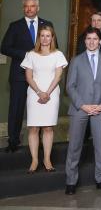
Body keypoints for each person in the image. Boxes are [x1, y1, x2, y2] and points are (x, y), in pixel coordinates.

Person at [64, 28, 101, 195]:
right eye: (88, 39)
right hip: (80, 109)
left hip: (100, 109)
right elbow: (70, 86)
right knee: (74, 146)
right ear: (85, 41)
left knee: (100, 146)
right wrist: (83, 105)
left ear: (100, 41)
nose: (92, 42)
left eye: (95, 39)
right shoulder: (76, 60)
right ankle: (71, 181)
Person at [1, 0, 54, 153]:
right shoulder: (15, 26)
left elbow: (54, 46)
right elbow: (4, 48)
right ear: (23, 8)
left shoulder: (47, 24)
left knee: (40, 108)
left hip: (42, 76)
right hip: (19, 75)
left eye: (32, 6)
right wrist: (26, 54)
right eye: (26, 6)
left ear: (38, 8)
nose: (29, 9)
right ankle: (13, 141)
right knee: (16, 109)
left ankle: (40, 142)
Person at [21, 24, 66, 173]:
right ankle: (34, 160)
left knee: (48, 127)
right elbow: (28, 77)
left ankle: (47, 159)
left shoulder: (58, 54)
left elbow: (58, 76)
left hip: (51, 94)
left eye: (48, 36)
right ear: (39, 38)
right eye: (42, 36)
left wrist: (47, 93)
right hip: (34, 94)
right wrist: (40, 92)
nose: (45, 39)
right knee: (33, 128)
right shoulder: (31, 54)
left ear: (52, 38)